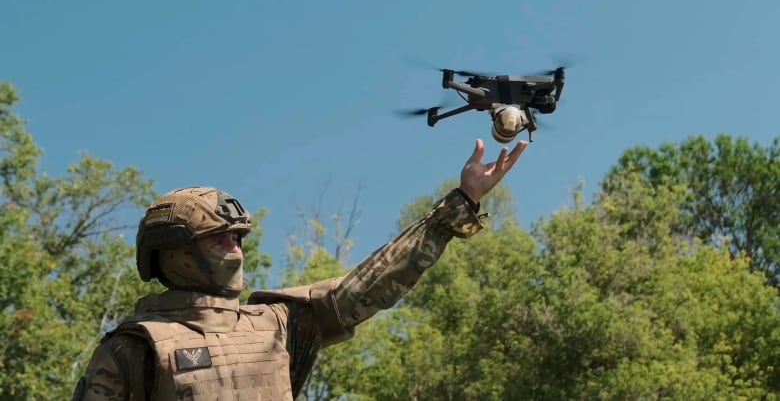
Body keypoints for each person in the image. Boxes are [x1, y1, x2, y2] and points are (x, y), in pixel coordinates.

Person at [72, 138, 527, 400]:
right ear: (172, 255)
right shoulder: (136, 347)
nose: (235, 247)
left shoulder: (276, 323)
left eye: (238, 237)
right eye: (218, 237)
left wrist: (461, 205)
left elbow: (365, 289)